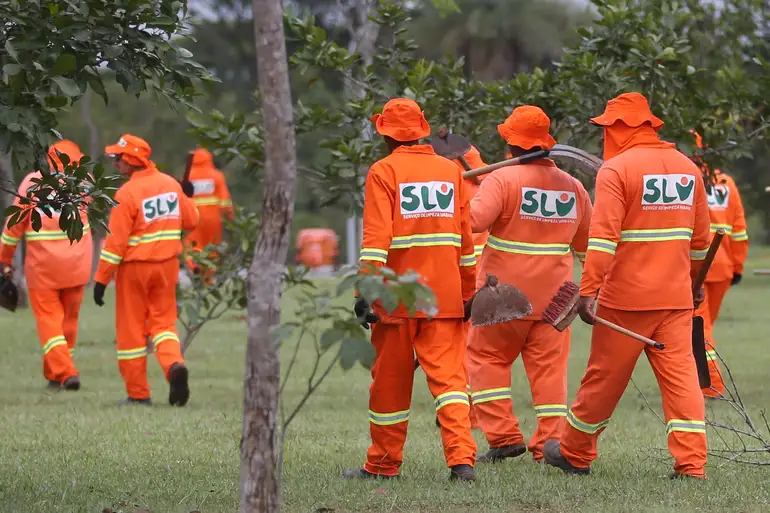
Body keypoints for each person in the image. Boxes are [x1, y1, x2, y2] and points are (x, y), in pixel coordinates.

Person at [543, 92, 711, 479]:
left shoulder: (617, 170)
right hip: (675, 299)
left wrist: (588, 291)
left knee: (603, 379)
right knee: (683, 381)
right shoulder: (688, 168)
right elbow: (701, 241)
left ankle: (575, 453)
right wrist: (694, 281)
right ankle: (692, 464)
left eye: (607, 128)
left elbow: (603, 240)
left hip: (626, 301)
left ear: (620, 129)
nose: (605, 135)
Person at [343, 98, 478, 482]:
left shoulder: (383, 171)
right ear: (421, 131)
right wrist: (467, 292)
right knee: (452, 384)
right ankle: (462, 462)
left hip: (396, 300)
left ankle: (383, 465)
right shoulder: (451, 171)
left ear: (386, 135)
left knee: (390, 384)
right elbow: (466, 242)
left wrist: (364, 293)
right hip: (445, 298)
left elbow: (376, 241)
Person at [466, 106, 592, 463]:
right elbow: (588, 245)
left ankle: (504, 436)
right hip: (557, 298)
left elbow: (474, 221)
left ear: (511, 143)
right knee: (550, 372)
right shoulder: (574, 187)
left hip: (502, 296)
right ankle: (550, 443)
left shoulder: (502, 180)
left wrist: (458, 192)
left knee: (486, 358)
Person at [93, 134, 198, 406]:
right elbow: (191, 220)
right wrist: (187, 197)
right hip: (167, 267)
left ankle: (138, 394)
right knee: (163, 325)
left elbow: (115, 244)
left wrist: (101, 280)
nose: (115, 163)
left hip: (135, 270)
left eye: (118, 158)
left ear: (131, 160)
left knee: (131, 331)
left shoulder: (126, 193)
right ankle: (174, 365)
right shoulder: (171, 184)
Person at [0, 140, 93, 390]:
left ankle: (64, 372)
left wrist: (4, 259)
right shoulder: (85, 183)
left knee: (49, 321)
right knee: (68, 322)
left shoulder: (33, 183)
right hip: (77, 267)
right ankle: (55, 374)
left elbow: (13, 226)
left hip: (43, 269)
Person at [690, 131, 749, 398]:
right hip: (723, 268)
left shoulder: (684, 181)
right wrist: (738, 267)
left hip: (697, 267)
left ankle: (710, 385)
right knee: (704, 326)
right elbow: (739, 231)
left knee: (700, 330)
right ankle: (701, 382)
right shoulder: (726, 183)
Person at [183, 148, 233, 277]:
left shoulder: (187, 177)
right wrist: (231, 218)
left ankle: (194, 270)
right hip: (212, 219)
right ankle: (209, 278)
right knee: (212, 247)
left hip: (193, 218)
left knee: (192, 246)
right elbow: (225, 201)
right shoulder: (217, 176)